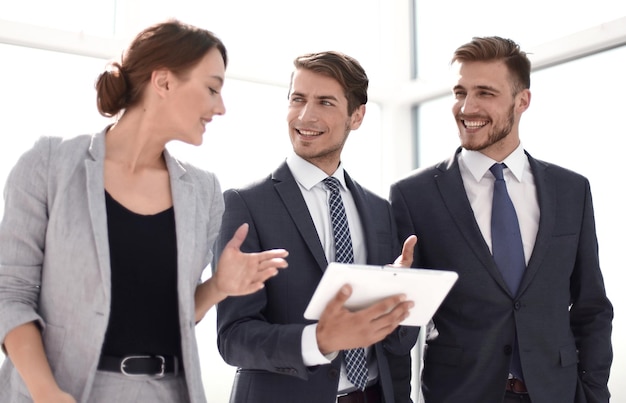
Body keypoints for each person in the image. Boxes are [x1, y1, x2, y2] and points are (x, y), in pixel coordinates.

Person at [0, 20, 288, 403]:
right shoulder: (49, 165)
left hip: (165, 393)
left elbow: (172, 317)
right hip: (62, 391)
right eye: (212, 88)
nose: (220, 107)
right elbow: (10, 294)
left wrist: (218, 287)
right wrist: (46, 392)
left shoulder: (203, 192)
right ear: (164, 82)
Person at [390, 36, 613, 403]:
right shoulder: (414, 195)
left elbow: (591, 308)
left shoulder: (571, 189)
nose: (466, 107)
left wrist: (592, 394)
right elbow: (401, 333)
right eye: (460, 92)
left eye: (484, 93)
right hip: (459, 394)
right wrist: (394, 290)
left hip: (556, 393)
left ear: (522, 100)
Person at [215, 51, 419, 403]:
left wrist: (402, 300)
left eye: (324, 102)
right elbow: (233, 338)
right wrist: (319, 340)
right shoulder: (244, 204)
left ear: (356, 116)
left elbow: (397, 344)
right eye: (298, 99)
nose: (305, 115)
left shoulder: (380, 211)